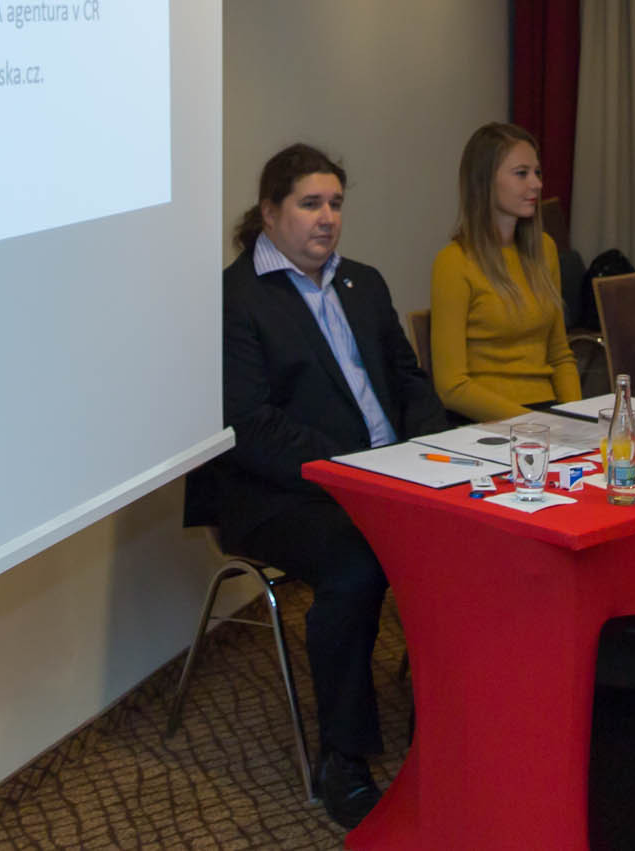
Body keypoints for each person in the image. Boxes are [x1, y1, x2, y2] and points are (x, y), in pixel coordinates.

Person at [183, 143, 449, 829]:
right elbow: (251, 427)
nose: (327, 217)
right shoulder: (235, 298)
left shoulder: (364, 282)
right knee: (358, 563)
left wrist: (429, 451)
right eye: (309, 204)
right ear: (269, 213)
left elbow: (409, 379)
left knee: (472, 531)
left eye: (335, 203)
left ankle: (448, 719)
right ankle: (343, 757)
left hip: (385, 474)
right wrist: (356, 470)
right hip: (276, 493)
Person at [428, 122, 582, 422]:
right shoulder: (454, 262)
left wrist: (575, 417)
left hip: (547, 414)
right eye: (521, 173)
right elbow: (452, 387)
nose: (536, 184)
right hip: (485, 420)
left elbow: (560, 355)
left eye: (537, 173)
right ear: (485, 182)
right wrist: (535, 424)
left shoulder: (544, 249)